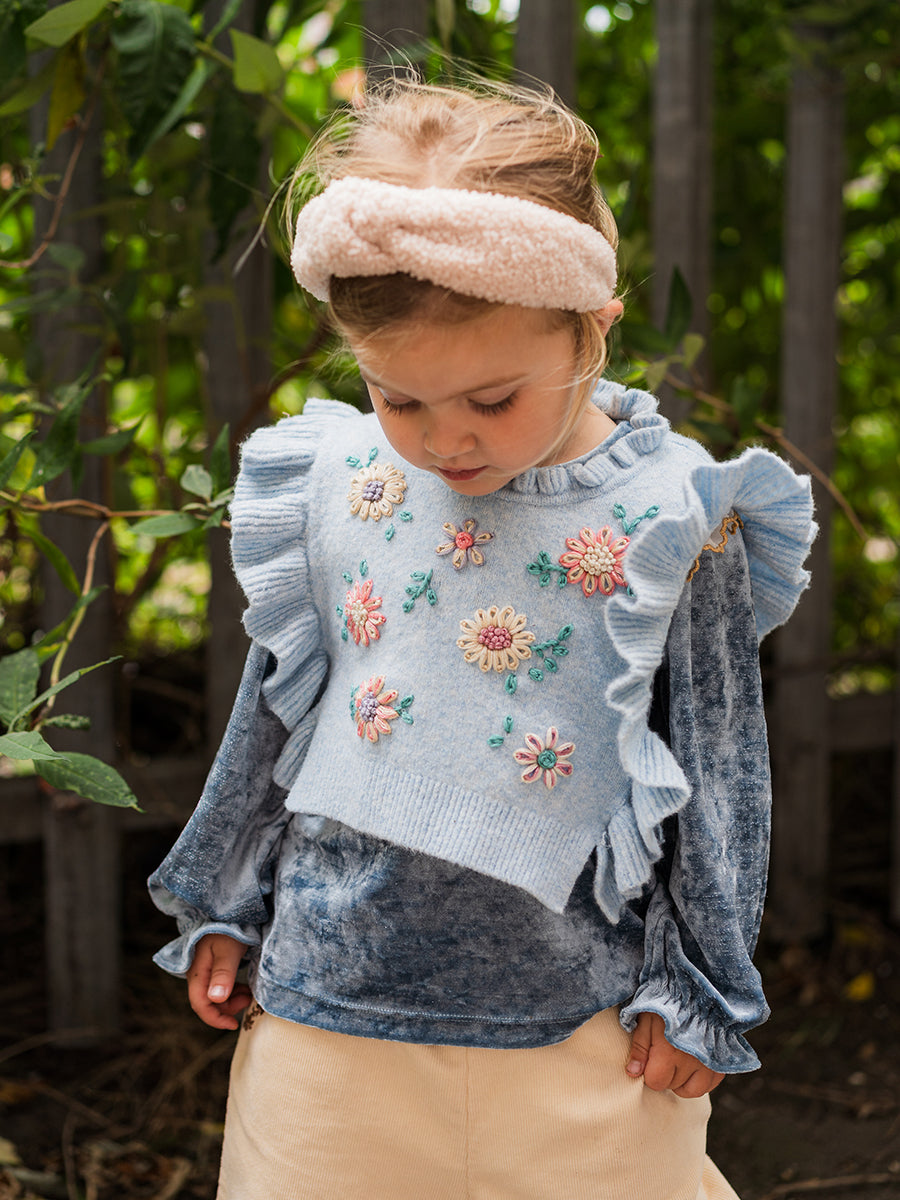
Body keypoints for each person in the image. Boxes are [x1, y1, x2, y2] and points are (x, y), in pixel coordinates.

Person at [150, 74, 815, 1200]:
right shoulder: (338, 480)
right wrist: (227, 896)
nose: (444, 442)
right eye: (399, 400)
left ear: (593, 323)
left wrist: (702, 984)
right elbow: (280, 709)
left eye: (493, 400)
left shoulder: (672, 513)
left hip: (588, 1041)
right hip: (325, 1030)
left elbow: (719, 767)